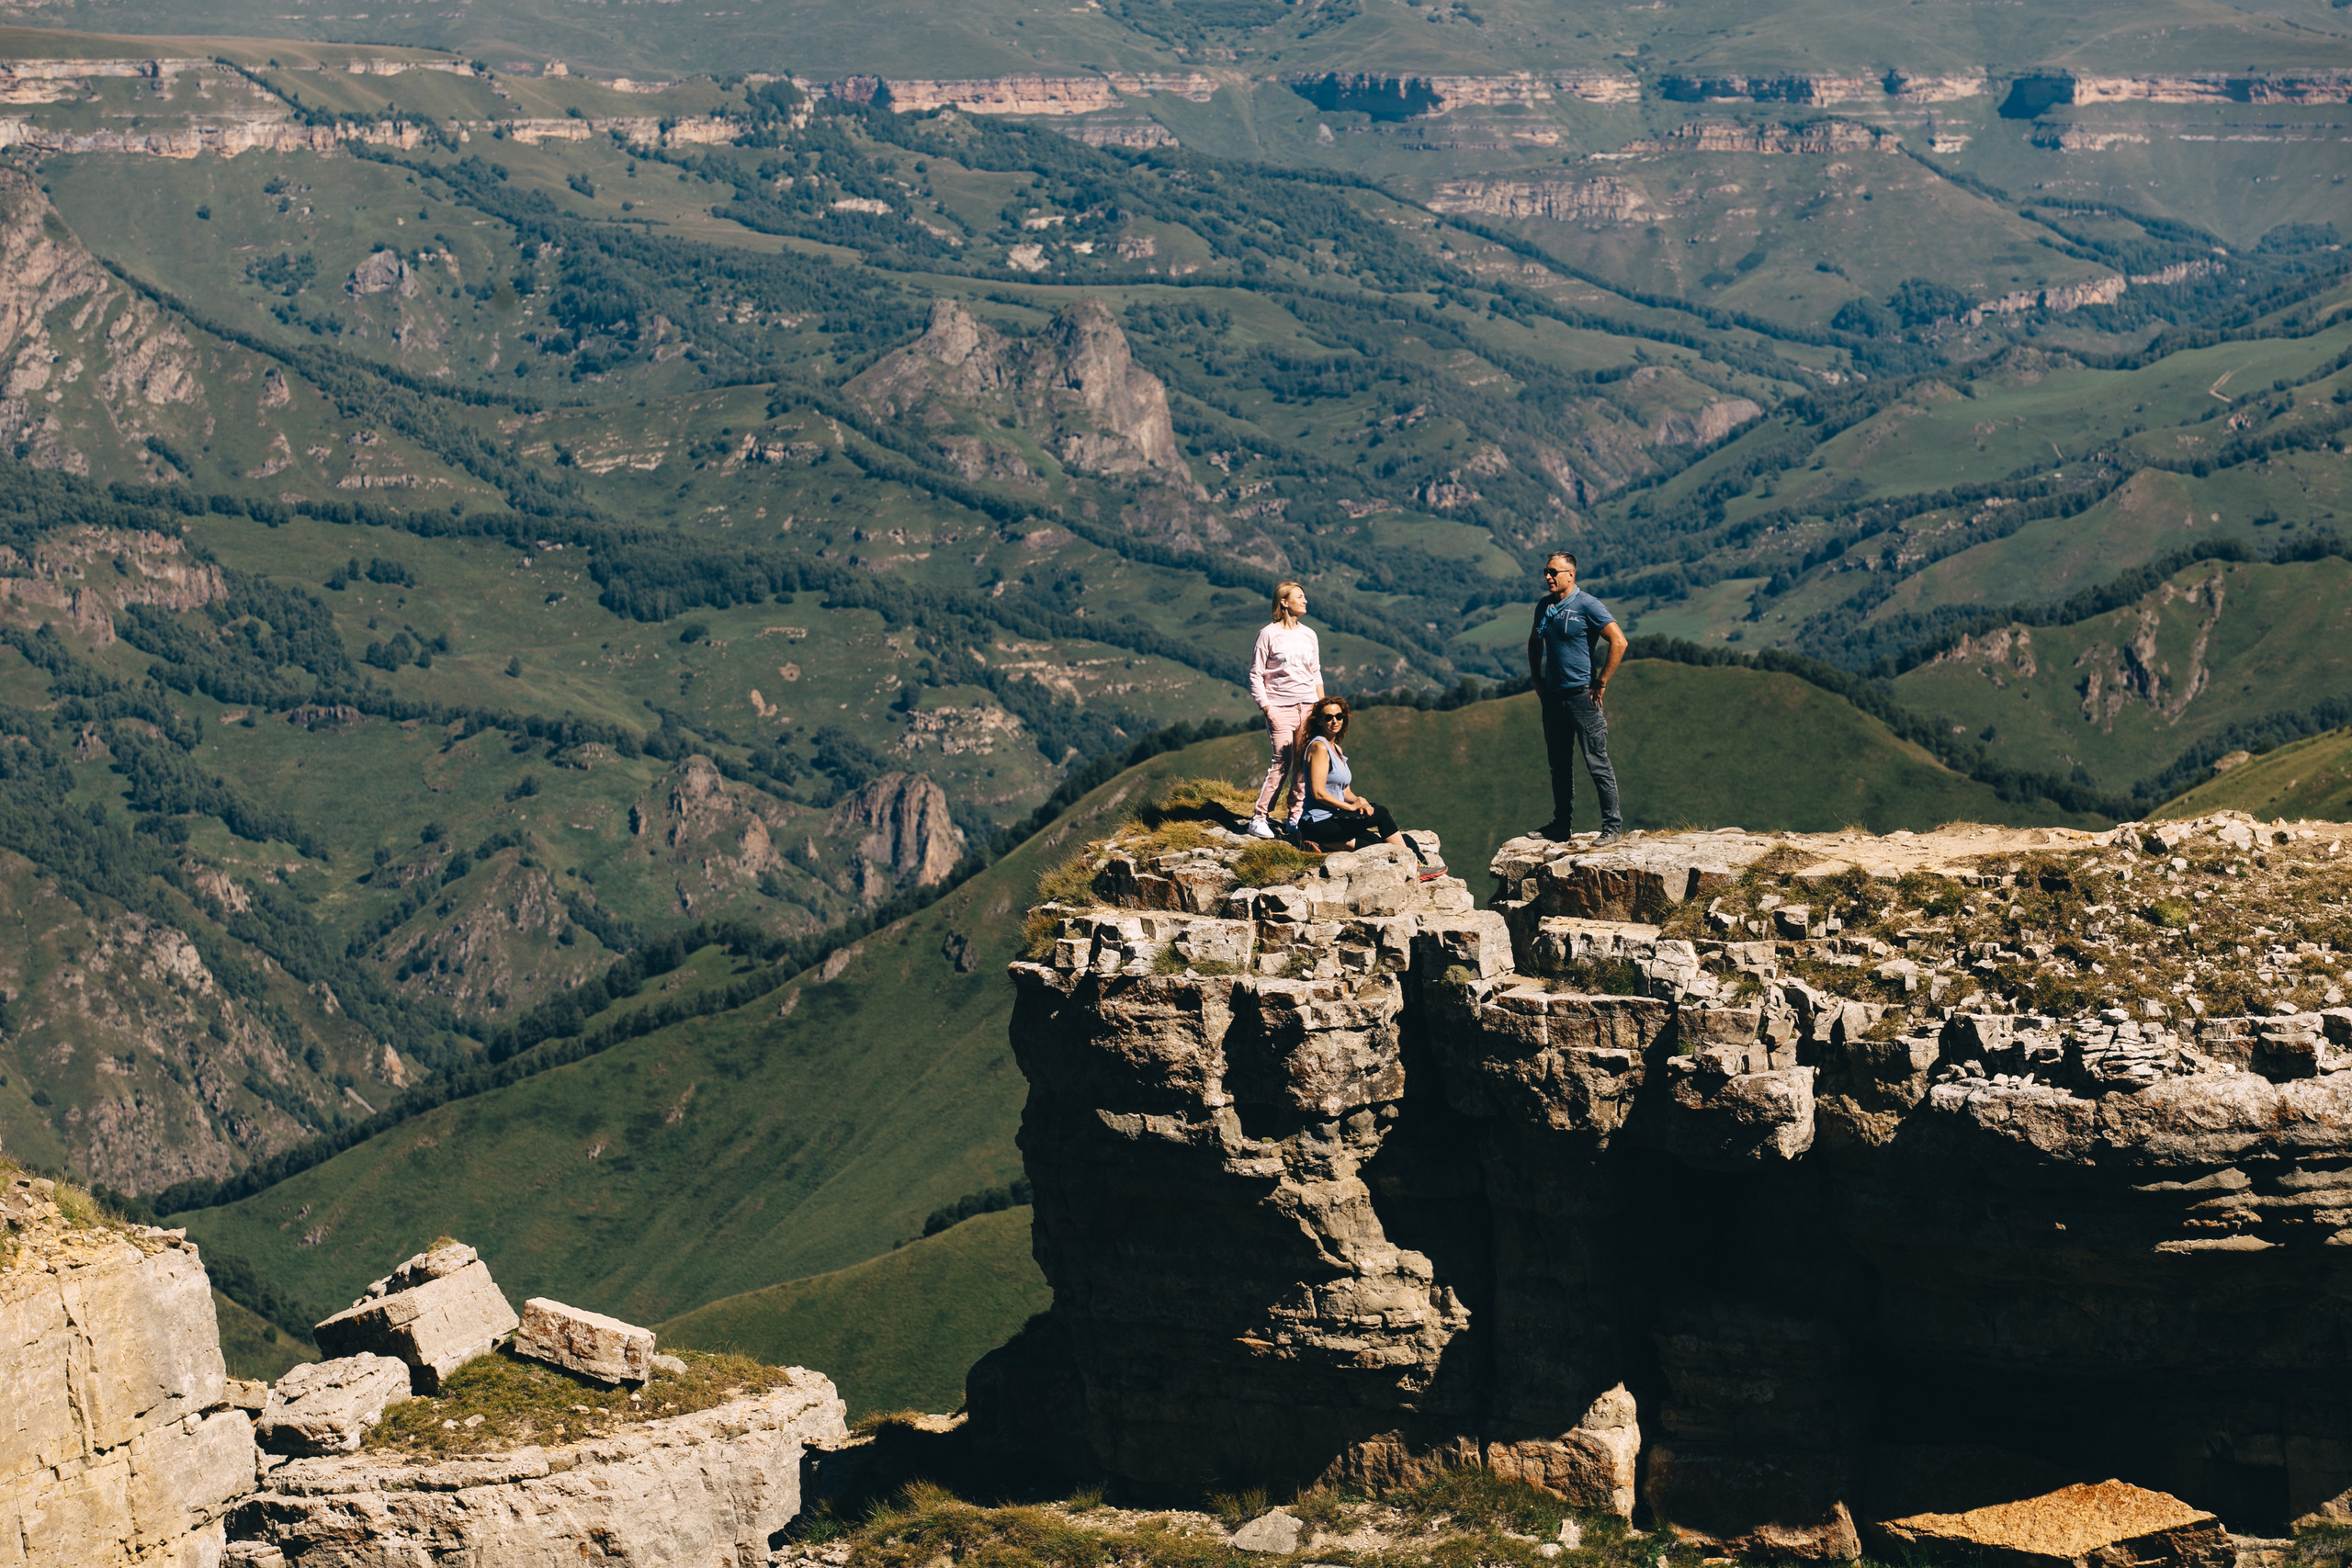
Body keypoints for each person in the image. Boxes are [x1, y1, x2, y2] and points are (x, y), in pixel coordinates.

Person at [1528, 551, 1627, 846]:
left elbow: (1619, 641)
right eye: (1546, 571)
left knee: (1597, 762)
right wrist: (1537, 678)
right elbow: (1535, 642)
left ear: (1571, 575)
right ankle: (1561, 826)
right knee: (1559, 765)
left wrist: (1602, 682)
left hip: (1583, 697)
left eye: (1554, 572)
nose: (1548, 576)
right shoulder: (1545, 606)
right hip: (1553, 698)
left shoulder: (1588, 605)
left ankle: (1612, 827)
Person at [1294, 698, 1444, 879]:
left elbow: (1344, 791)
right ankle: (1414, 866)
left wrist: (1359, 801)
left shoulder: (1336, 750)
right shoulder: (1319, 747)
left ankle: (1325, 845)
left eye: (1339, 716)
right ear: (1319, 720)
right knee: (1380, 813)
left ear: (1344, 718)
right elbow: (1318, 793)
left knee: (1373, 841)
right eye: (1328, 717)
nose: (1334, 721)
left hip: (1333, 818)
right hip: (1317, 822)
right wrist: (1350, 807)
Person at [1245, 580, 1322, 840]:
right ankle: (1259, 818)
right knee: (1282, 762)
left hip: (1309, 706)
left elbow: (1316, 673)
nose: (1305, 600)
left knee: (1304, 763)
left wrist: (1321, 707)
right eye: (1299, 596)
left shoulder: (1310, 634)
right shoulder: (1268, 634)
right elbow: (1256, 674)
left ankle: (1295, 816)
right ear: (1284, 602)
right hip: (1280, 708)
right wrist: (1267, 708)